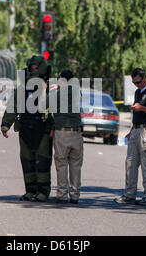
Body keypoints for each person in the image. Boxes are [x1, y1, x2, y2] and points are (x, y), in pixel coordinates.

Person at [0, 55, 54, 202]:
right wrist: (6, 124)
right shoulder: (22, 88)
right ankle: (30, 191)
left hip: (43, 129)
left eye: (36, 67)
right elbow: (13, 106)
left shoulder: (50, 86)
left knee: (42, 162)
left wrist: (55, 126)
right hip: (25, 128)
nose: (34, 70)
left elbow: (55, 108)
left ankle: (43, 192)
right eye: (32, 67)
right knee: (27, 162)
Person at [114, 68, 146, 206]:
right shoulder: (137, 92)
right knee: (130, 164)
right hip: (136, 130)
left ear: (144, 78)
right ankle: (130, 195)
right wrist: (131, 130)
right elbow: (138, 114)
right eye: (134, 83)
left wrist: (142, 108)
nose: (136, 85)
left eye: (138, 82)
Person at [46, 70, 83, 204]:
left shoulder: (57, 93)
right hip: (77, 133)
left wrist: (53, 90)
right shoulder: (77, 91)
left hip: (62, 133)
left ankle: (62, 194)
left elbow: (42, 106)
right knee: (76, 164)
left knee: (61, 164)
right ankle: (75, 195)